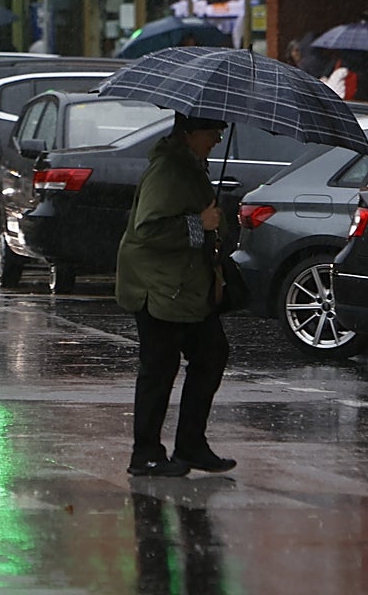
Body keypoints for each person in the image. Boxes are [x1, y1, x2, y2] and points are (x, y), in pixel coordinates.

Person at [116, 112, 236, 477]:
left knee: (212, 353)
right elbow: (148, 229)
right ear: (189, 134)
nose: (216, 139)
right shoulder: (168, 169)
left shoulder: (190, 165)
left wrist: (216, 228)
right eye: (212, 131)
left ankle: (191, 445)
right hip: (158, 288)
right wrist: (200, 224)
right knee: (159, 367)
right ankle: (146, 454)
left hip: (185, 287)